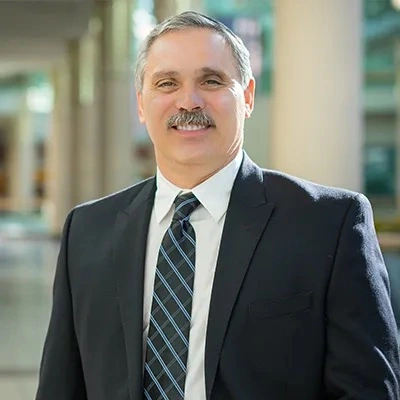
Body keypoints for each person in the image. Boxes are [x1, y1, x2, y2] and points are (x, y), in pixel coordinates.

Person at [35, 11, 399, 400]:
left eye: (211, 81)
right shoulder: (88, 231)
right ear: (141, 104)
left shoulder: (328, 224)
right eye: (167, 83)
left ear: (247, 96)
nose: (188, 101)